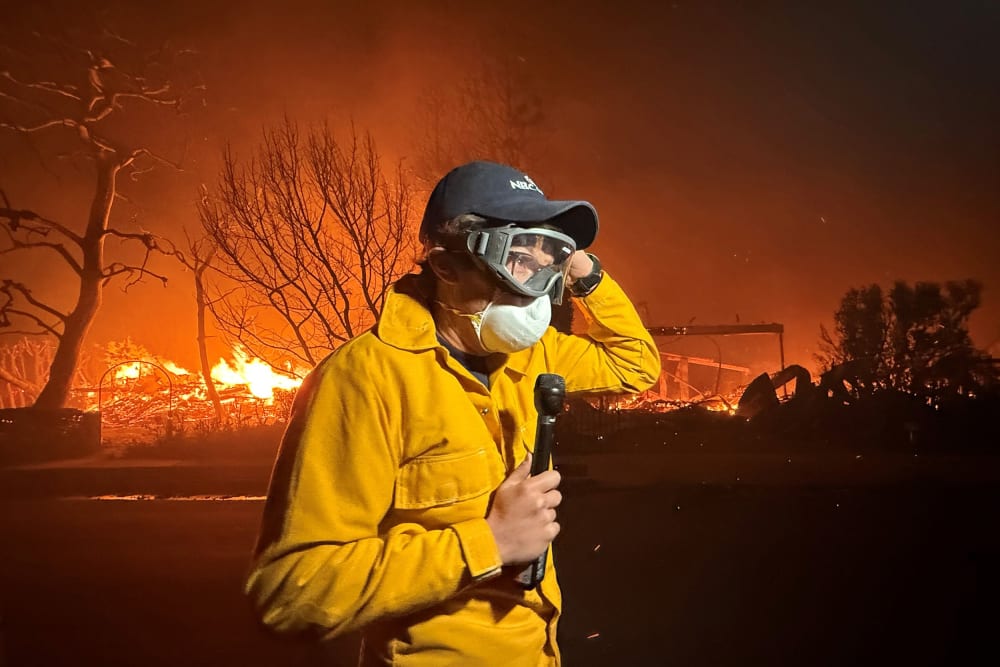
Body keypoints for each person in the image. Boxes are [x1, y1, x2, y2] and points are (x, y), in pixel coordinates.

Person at [245, 160, 661, 666]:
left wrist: (586, 273)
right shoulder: (366, 378)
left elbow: (635, 365)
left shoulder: (530, 356)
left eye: (549, 258)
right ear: (444, 266)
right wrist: (487, 542)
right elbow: (291, 593)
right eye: (517, 258)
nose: (534, 286)